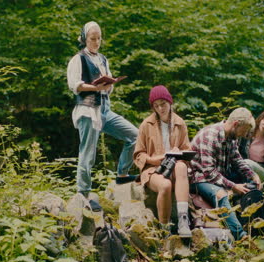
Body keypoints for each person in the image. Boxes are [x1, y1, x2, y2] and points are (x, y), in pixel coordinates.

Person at [67, 21, 138, 212]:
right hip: (88, 110)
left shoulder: (103, 59)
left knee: (134, 135)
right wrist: (95, 87)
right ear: (84, 39)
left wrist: (109, 85)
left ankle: (122, 174)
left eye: (99, 38)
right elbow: (75, 84)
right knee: (88, 152)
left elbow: (109, 85)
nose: (96, 42)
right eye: (92, 38)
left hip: (105, 109)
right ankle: (84, 194)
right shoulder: (78, 59)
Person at [189, 107, 261, 240]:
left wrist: (253, 175)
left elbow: (237, 159)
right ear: (235, 124)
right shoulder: (210, 136)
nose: (243, 135)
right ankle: (241, 236)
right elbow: (209, 172)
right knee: (221, 195)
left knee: (250, 186)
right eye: (243, 131)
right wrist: (233, 186)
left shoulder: (232, 137)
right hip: (198, 178)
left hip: (218, 175)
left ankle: (257, 229)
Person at [133, 85, 192, 237]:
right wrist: (152, 160)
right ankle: (164, 229)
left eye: (163, 104)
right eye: (156, 105)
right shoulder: (146, 124)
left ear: (170, 102)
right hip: (153, 170)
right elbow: (138, 154)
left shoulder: (180, 123)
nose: (160, 108)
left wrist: (180, 153)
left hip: (174, 167)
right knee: (165, 186)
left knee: (180, 167)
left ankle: (183, 220)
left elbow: (188, 151)